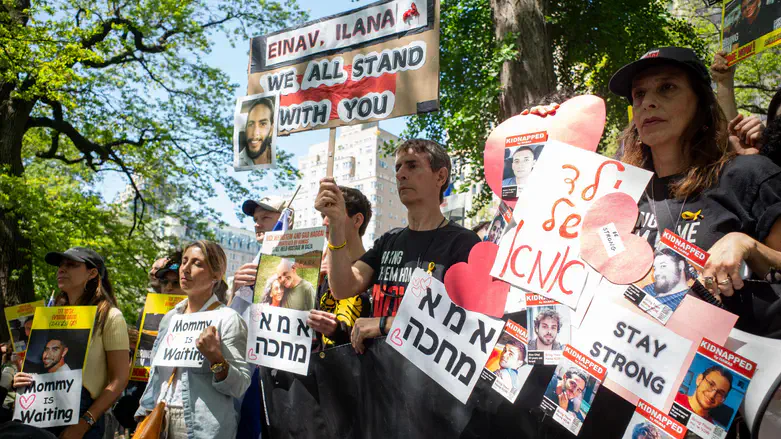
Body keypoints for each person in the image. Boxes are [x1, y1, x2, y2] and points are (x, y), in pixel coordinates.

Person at [609, 47, 781, 301]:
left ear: (701, 102)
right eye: (639, 94)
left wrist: (748, 246)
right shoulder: (618, 189)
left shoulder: (749, 176)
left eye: (667, 87)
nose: (648, 102)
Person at [316, 139, 481, 353]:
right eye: (398, 167)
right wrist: (337, 225)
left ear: (440, 176)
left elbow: (471, 325)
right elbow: (342, 287)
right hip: (381, 377)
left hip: (425, 381)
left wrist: (386, 324)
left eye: (412, 165)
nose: (400, 174)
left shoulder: (464, 243)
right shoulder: (388, 241)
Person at [135, 240, 250, 439]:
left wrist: (216, 358)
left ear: (216, 275)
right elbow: (157, 374)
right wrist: (145, 410)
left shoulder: (228, 320)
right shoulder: (171, 318)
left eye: (197, 263)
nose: (185, 269)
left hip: (200, 426)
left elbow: (239, 386)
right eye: (184, 262)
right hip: (160, 417)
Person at [13, 247, 129, 439]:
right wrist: (20, 379)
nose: (61, 269)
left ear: (92, 273)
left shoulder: (110, 316)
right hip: (38, 411)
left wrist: (84, 424)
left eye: (71, 265)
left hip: (82, 418)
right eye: (60, 265)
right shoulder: (48, 316)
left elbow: (119, 380)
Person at [307, 186, 372, 349]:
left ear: (357, 220)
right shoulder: (320, 272)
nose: (325, 222)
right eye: (323, 215)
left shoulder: (374, 270)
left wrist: (338, 331)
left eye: (333, 214)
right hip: (321, 371)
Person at [231, 196, 288, 296]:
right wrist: (235, 290)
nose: (256, 224)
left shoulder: (300, 262)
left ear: (287, 220)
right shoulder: (257, 260)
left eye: (265, 218)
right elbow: (236, 310)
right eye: (255, 219)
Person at [237, 98, 274, 167]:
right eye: (251, 124)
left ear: (271, 130)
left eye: (262, 124)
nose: (255, 133)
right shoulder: (239, 161)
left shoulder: (278, 157)